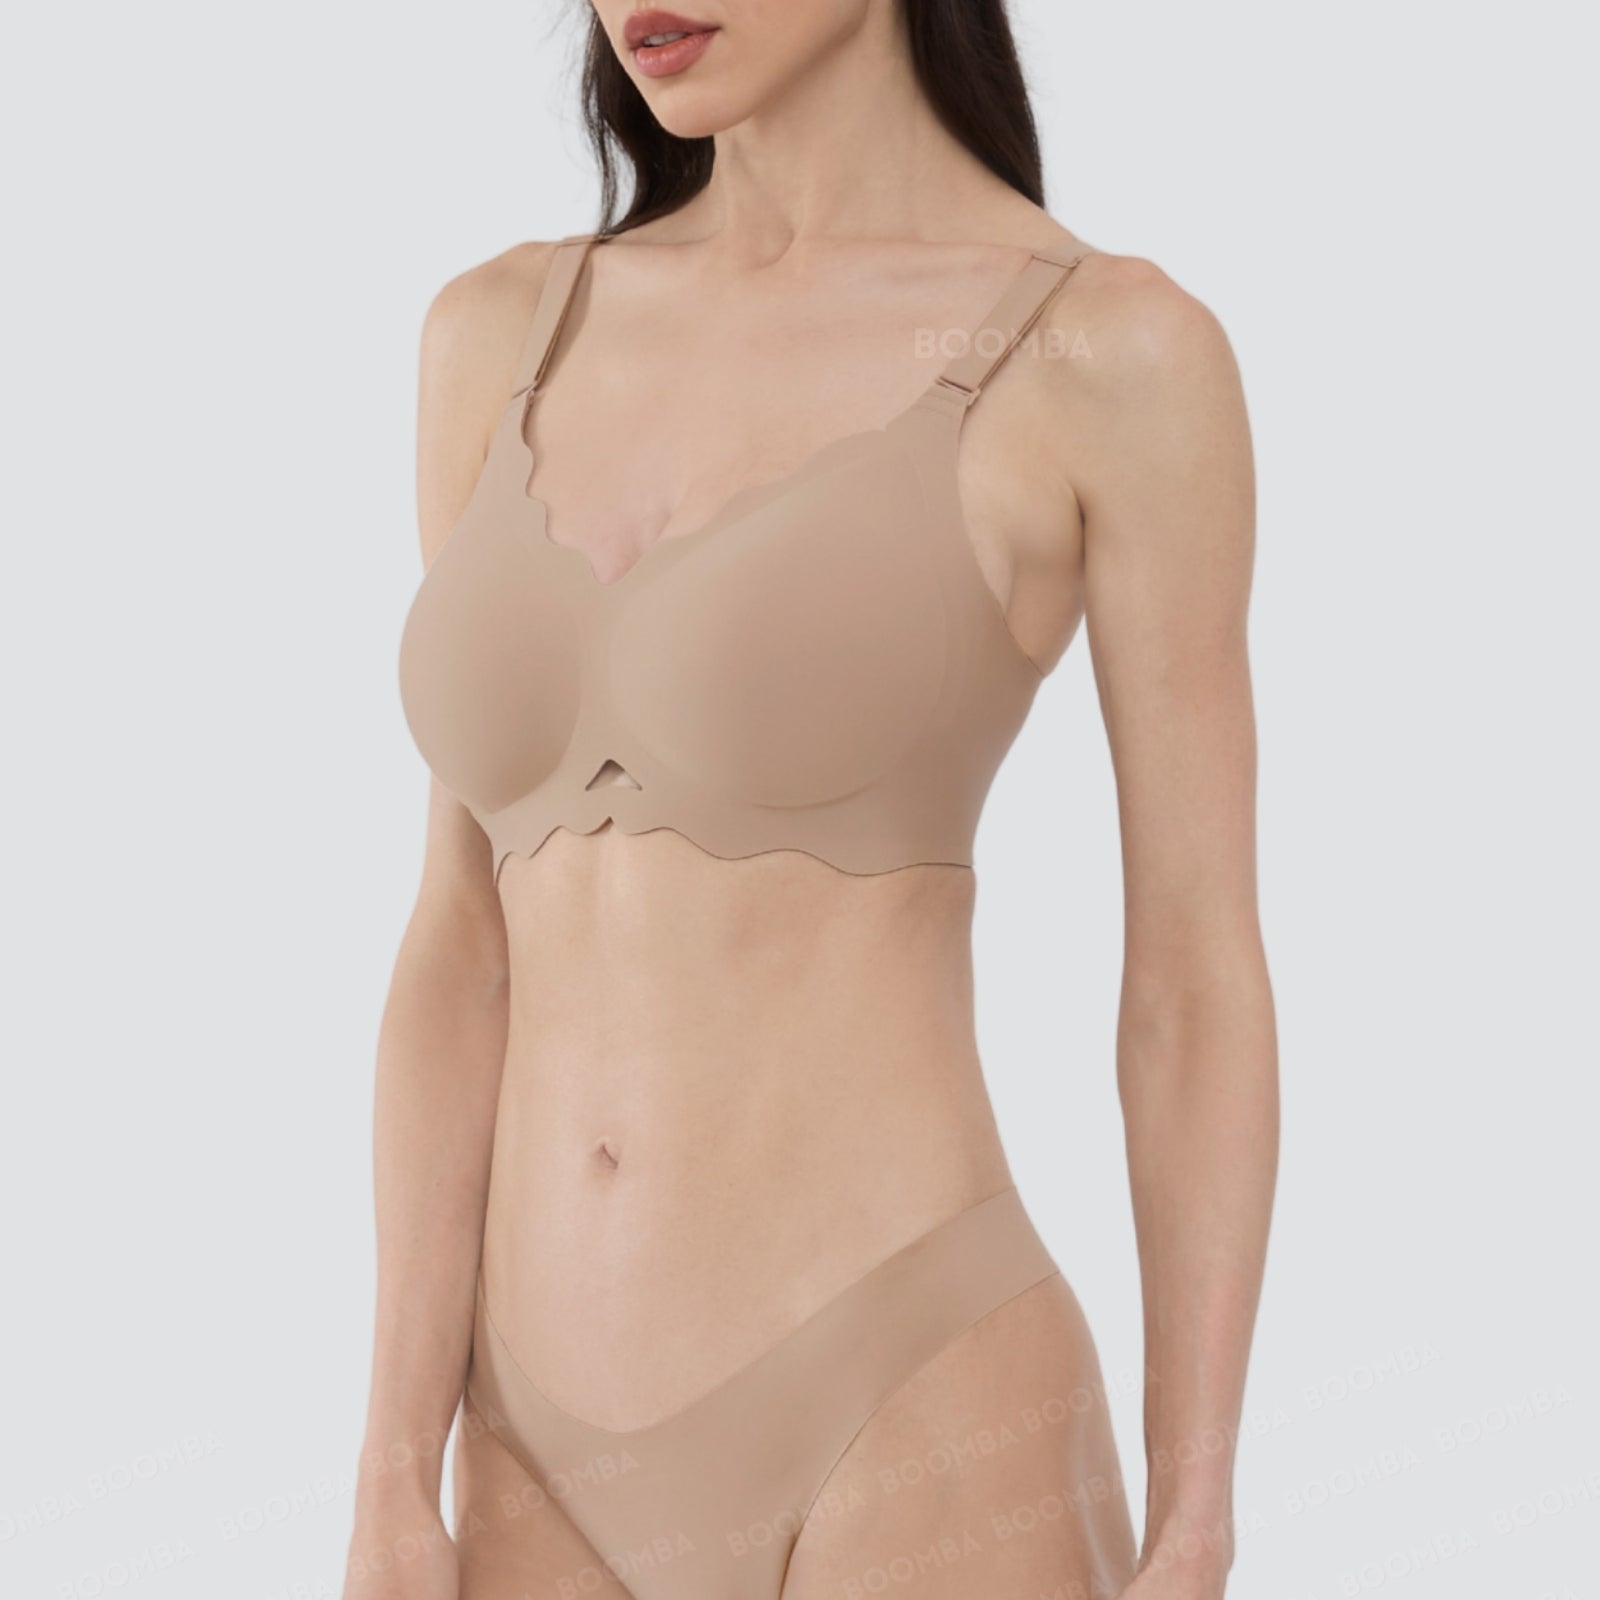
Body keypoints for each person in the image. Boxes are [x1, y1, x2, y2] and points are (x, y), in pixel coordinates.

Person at [348, 4, 1277, 1597]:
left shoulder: (1104, 351)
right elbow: (462, 945)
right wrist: (388, 1467)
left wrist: (1196, 1519)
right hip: (526, 1457)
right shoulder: (500, 333)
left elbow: (1190, 984)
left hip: (913, 1408)